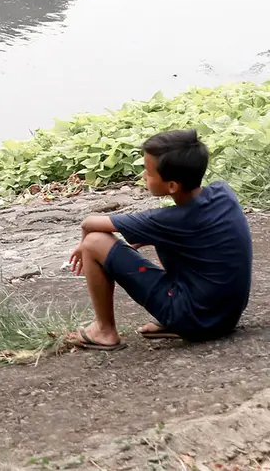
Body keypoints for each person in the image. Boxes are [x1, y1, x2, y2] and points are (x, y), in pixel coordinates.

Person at [67, 129, 252, 350]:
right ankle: (177, 320)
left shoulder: (170, 220)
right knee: (160, 237)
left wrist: (83, 246)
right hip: (224, 317)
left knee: (94, 242)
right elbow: (179, 233)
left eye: (148, 171)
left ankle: (104, 331)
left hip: (195, 320)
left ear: (172, 185)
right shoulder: (223, 193)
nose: (144, 176)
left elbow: (89, 223)